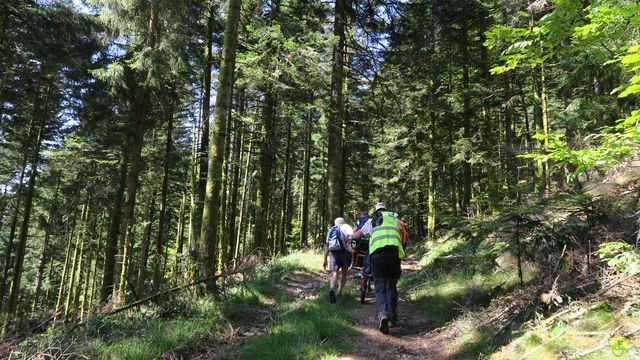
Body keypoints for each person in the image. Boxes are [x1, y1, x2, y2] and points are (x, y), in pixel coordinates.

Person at [352, 202, 405, 334]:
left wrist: (350, 237)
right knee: (391, 287)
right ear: (386, 210)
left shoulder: (372, 220)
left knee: (380, 287)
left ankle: (383, 315)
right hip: (393, 254)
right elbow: (403, 235)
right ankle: (393, 317)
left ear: (375, 211)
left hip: (377, 256)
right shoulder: (394, 219)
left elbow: (358, 235)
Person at [323, 217, 353, 303]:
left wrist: (325, 260)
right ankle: (338, 292)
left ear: (335, 223)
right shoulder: (346, 226)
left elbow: (327, 246)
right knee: (344, 272)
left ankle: (332, 287)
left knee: (334, 272)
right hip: (345, 252)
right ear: (343, 222)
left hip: (333, 253)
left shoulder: (331, 230)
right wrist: (350, 244)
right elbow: (350, 237)